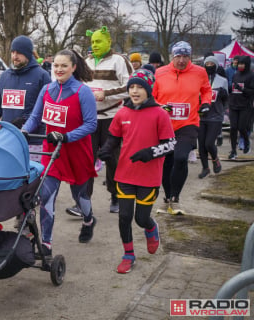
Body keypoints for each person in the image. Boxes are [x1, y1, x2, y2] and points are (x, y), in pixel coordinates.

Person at [98, 69, 175, 273]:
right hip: (125, 174)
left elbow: (170, 145)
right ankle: (128, 255)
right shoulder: (122, 112)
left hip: (149, 177)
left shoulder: (160, 114)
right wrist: (106, 149)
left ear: (148, 90)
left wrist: (151, 152)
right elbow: (114, 137)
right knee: (124, 216)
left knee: (140, 218)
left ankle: (151, 227)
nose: (134, 91)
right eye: (131, 87)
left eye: (140, 86)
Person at [22, 49, 98, 256]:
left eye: (64, 65)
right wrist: (24, 131)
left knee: (80, 195)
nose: (59, 69)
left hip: (77, 152)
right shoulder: (46, 89)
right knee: (46, 195)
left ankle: (89, 219)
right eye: (56, 65)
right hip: (51, 153)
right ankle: (46, 244)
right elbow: (35, 117)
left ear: (73, 67)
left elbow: (91, 124)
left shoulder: (83, 92)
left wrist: (67, 137)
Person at [65, 26, 132, 216]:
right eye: (92, 42)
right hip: (89, 119)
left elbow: (132, 86)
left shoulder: (119, 61)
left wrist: (107, 94)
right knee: (86, 160)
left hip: (112, 118)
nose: (94, 45)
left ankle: (116, 196)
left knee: (113, 159)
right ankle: (83, 203)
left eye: (98, 41)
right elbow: (77, 85)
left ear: (108, 42)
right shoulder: (85, 62)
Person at [0, 35, 51, 228]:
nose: (15, 56)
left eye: (19, 53)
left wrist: (24, 123)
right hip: (9, 138)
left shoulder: (41, 76)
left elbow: (43, 108)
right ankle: (19, 212)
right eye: (13, 52)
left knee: (30, 182)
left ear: (28, 54)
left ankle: (28, 218)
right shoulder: (5, 76)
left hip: (34, 138)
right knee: (12, 179)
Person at [152, 41, 211, 215]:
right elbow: (152, 96)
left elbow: (206, 90)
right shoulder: (160, 73)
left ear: (190, 57)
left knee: (180, 157)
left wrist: (206, 103)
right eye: (178, 56)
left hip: (188, 124)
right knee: (166, 162)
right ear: (172, 56)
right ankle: (167, 198)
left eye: (185, 56)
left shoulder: (200, 72)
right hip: (164, 125)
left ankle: (175, 199)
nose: (182, 60)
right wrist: (159, 107)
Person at [198, 56, 228, 178]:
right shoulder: (199, 80)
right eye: (207, 63)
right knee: (201, 145)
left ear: (216, 65)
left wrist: (223, 95)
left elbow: (226, 100)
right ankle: (205, 168)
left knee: (209, 143)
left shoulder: (222, 81)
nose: (209, 65)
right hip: (201, 116)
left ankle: (215, 160)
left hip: (215, 116)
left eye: (212, 63)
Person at [228, 55, 254, 158]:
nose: (240, 66)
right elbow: (232, 88)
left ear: (246, 65)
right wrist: (230, 89)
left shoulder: (251, 76)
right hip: (233, 104)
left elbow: (252, 92)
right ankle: (233, 151)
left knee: (242, 127)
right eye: (239, 64)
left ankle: (247, 142)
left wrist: (242, 89)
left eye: (242, 64)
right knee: (233, 128)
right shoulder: (236, 75)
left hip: (245, 106)